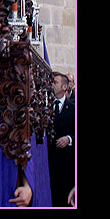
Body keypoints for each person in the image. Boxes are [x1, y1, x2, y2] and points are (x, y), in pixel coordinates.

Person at [48, 72, 75, 207]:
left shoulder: (73, 109)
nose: (51, 85)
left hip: (66, 167)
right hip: (49, 165)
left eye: (55, 82)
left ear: (64, 87)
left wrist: (69, 139)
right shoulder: (45, 107)